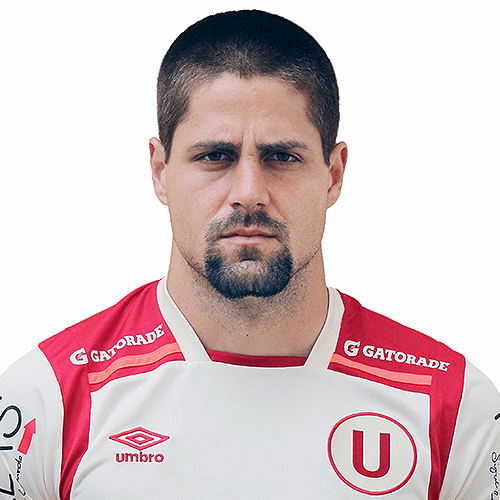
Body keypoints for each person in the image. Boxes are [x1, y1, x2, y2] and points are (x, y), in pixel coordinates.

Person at [0, 9, 498, 499]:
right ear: (159, 171)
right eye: (215, 156)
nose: (249, 192)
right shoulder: (48, 399)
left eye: (282, 156)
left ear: (334, 175)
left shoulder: (454, 409)